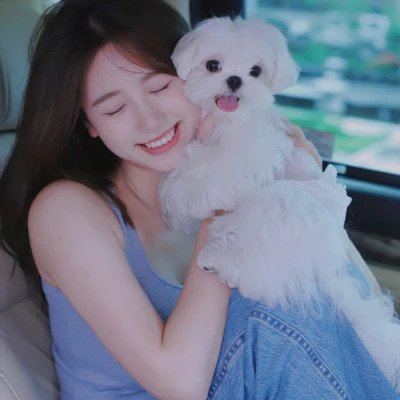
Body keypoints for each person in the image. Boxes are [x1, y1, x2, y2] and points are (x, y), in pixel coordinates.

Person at [0, 0, 397, 399]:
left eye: (160, 87)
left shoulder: (233, 164)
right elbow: (180, 384)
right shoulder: (64, 211)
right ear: (89, 122)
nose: (150, 119)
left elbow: (343, 300)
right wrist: (223, 197)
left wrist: (302, 185)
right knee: (283, 309)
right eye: (116, 108)